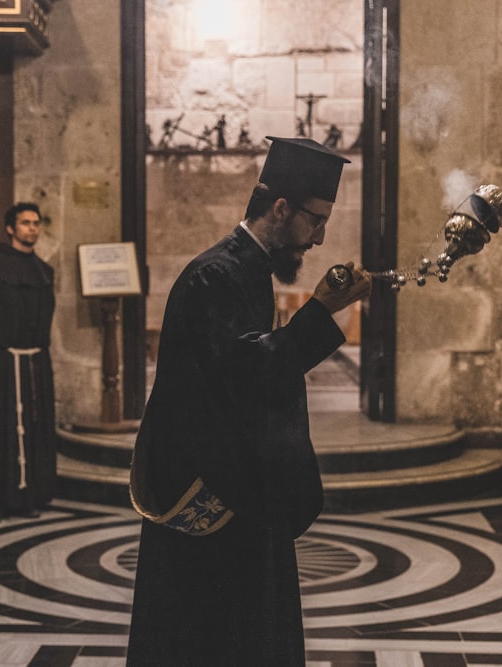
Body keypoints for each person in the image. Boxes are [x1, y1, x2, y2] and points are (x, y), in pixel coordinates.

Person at [127, 137, 371, 665]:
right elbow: (248, 374)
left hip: (243, 487)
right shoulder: (216, 275)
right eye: (314, 220)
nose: (320, 238)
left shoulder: (250, 270)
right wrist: (319, 311)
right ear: (280, 208)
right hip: (211, 496)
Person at [0, 203, 56, 525]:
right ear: (10, 228)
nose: (32, 228)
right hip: (1, 364)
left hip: (35, 363)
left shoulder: (45, 272)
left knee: (33, 430)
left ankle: (27, 496)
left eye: (36, 223)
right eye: (25, 223)